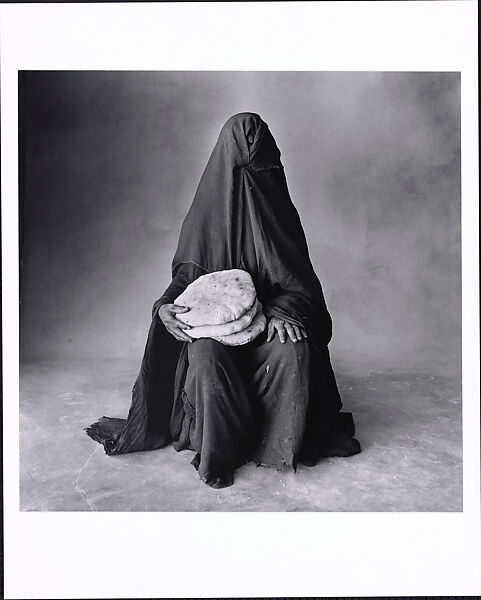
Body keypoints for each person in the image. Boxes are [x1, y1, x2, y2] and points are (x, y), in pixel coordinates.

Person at [86, 112, 361, 489]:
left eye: (259, 167)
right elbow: (185, 281)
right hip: (216, 333)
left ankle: (275, 448)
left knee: (293, 351)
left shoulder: (279, 213)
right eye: (243, 168)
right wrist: (164, 309)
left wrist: (282, 311)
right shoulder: (205, 216)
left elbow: (305, 291)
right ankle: (219, 450)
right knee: (205, 356)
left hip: (268, 331)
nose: (253, 181)